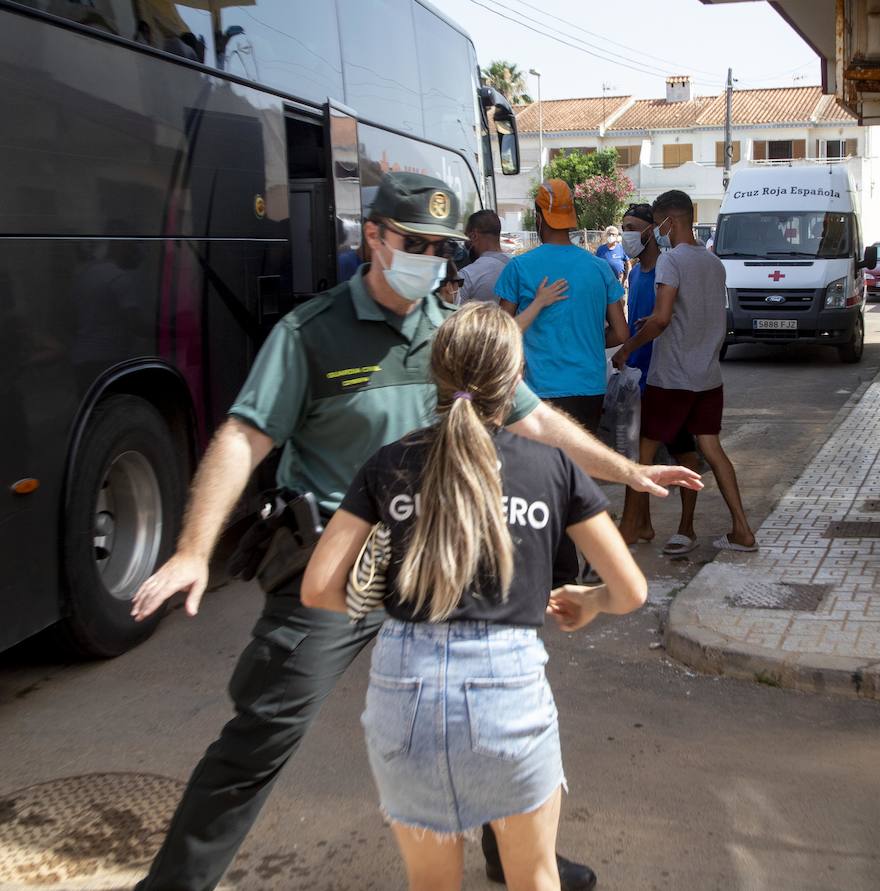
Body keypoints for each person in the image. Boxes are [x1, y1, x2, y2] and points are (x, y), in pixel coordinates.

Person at [128, 172, 699, 891]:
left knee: (485, 707)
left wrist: (629, 473)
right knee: (263, 730)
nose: (431, 258)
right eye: (415, 242)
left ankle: (514, 853)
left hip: (441, 555)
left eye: (442, 246)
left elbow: (538, 420)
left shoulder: (451, 329)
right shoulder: (311, 333)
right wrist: (190, 549)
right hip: (338, 561)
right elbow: (244, 436)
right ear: (373, 236)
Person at [301, 303, 647, 891]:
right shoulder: (551, 468)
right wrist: (587, 602)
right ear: (514, 383)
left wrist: (398, 603)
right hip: (506, 690)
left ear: (437, 374)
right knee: (533, 876)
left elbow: (319, 588)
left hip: (400, 685)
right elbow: (630, 591)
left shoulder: (390, 463)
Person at [612, 190, 756, 552]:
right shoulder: (714, 263)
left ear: (669, 223)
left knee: (643, 455)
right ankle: (742, 529)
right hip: (708, 377)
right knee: (712, 450)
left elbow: (661, 319)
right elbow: (692, 313)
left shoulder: (670, 261)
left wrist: (627, 348)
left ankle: (631, 528)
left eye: (659, 223)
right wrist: (660, 321)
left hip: (672, 376)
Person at [497, 180, 629, 434]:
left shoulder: (519, 267)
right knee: (579, 469)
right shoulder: (599, 267)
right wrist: (585, 341)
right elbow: (621, 333)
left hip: (538, 390)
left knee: (544, 471)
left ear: (539, 218)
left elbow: (499, 334)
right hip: (590, 388)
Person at [617, 203, 701, 554]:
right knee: (638, 455)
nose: (626, 235)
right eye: (623, 228)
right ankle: (643, 524)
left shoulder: (666, 272)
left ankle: (681, 526)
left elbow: (665, 321)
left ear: (652, 230)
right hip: (638, 378)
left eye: (632, 227)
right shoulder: (636, 273)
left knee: (681, 453)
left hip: (667, 377)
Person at [457, 209, 510, 304]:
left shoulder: (467, 275)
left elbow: (455, 314)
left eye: (466, 236)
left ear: (474, 236)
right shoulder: (516, 266)